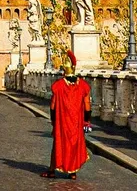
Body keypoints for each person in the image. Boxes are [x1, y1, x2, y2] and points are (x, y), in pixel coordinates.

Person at [42, 51, 92, 180]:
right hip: (77, 122)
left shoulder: (58, 86)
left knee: (59, 144)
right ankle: (73, 172)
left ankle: (52, 170)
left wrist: (53, 120)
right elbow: (87, 106)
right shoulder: (83, 86)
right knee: (74, 145)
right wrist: (87, 121)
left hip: (62, 121)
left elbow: (53, 106)